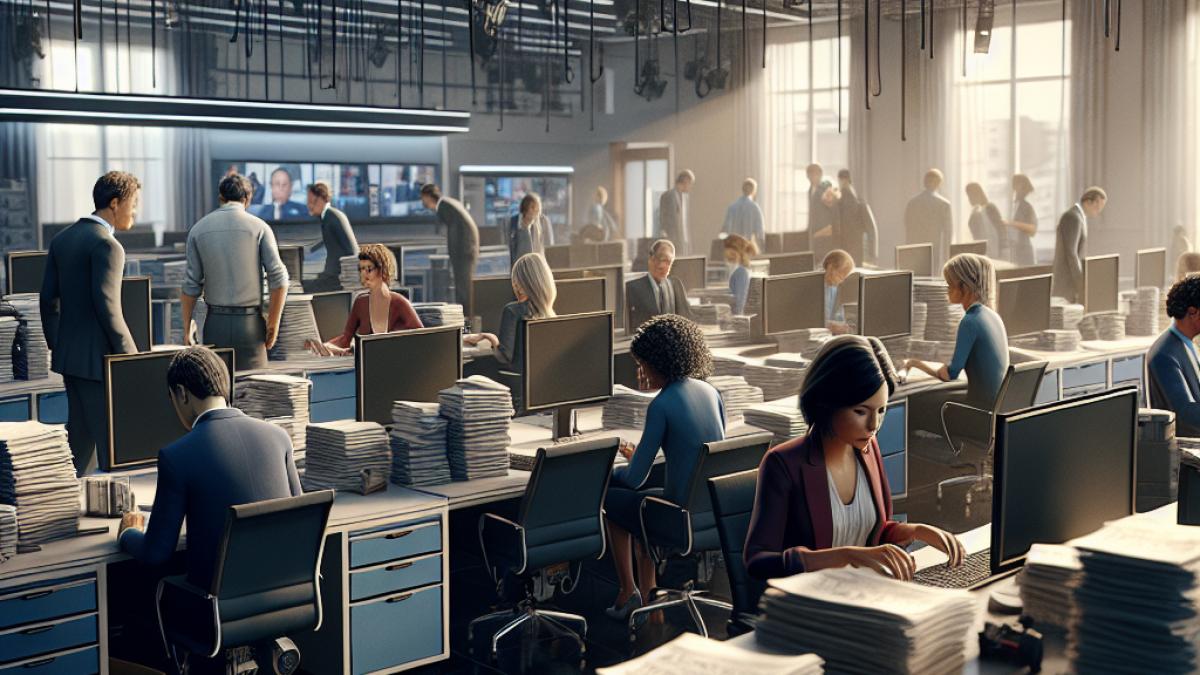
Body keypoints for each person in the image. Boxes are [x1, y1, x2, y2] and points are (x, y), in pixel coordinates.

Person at [743, 335, 965, 580]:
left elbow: (873, 532)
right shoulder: (783, 464)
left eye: (881, 410)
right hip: (813, 603)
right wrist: (846, 556)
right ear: (827, 402)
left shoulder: (868, 451)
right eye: (860, 411)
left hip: (864, 590)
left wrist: (916, 530)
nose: (874, 425)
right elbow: (758, 562)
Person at [118, 346, 302, 589]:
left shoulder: (176, 457)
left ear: (182, 394)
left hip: (215, 605)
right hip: (283, 596)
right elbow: (300, 521)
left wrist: (127, 532)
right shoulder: (279, 438)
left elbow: (156, 553)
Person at [604, 314, 725, 618]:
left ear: (658, 362)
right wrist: (638, 456)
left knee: (612, 500)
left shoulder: (662, 404)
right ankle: (649, 597)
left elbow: (633, 480)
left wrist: (609, 471)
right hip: (711, 509)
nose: (641, 372)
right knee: (643, 506)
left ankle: (628, 591)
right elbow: (700, 453)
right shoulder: (711, 392)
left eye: (642, 364)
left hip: (677, 514)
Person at [40, 171, 140, 475]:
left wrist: (59, 346)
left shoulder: (63, 239)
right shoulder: (108, 246)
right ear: (114, 203)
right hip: (100, 363)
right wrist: (132, 358)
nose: (135, 211)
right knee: (113, 446)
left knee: (80, 441)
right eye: (133, 204)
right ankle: (116, 512)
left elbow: (47, 301)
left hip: (71, 359)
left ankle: (67, 500)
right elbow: (109, 309)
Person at [182, 173, 289, 371]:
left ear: (220, 198)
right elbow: (280, 279)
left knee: (217, 389)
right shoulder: (260, 228)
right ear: (247, 199)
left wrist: (187, 328)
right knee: (254, 389)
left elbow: (190, 285)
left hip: (215, 324)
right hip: (250, 325)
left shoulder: (198, 229)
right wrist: (273, 325)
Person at [903, 254, 1010, 409]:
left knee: (915, 404)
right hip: (994, 408)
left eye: (950, 285)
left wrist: (914, 363)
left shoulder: (970, 321)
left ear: (964, 287)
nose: (946, 290)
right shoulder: (992, 315)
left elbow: (949, 374)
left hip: (978, 411)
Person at [305, 244, 423, 357]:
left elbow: (423, 338)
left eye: (369, 269)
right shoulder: (361, 303)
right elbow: (346, 338)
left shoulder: (399, 303)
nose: (363, 274)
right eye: (361, 269)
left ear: (382, 269)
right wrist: (324, 346)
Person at [464, 252, 556, 375]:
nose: (515, 286)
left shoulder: (513, 311)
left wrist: (488, 337)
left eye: (517, 281)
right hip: (537, 383)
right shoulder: (551, 316)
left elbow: (504, 357)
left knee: (466, 369)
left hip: (513, 382)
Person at [1147, 275, 1200, 436]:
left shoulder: (1187, 343)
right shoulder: (1165, 354)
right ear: (1192, 312)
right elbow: (1186, 414)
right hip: (1184, 450)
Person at [420, 183, 479, 317]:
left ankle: (466, 325)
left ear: (428, 197)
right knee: (464, 288)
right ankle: (466, 323)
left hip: (463, 251)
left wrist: (452, 254)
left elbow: (454, 231)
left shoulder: (443, 207)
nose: (423, 202)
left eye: (423, 198)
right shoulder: (449, 202)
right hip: (468, 248)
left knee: (463, 290)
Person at [1052, 187, 1107, 303]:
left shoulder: (1079, 217)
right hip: (1067, 280)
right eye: (1097, 207)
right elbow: (1071, 253)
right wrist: (1080, 282)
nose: (1098, 212)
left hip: (1070, 280)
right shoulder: (1073, 217)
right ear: (1088, 201)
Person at [625, 239, 693, 331]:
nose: (662, 266)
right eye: (659, 259)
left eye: (667, 261)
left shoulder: (675, 285)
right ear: (650, 259)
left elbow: (687, 321)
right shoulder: (632, 288)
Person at [304, 181, 360, 293]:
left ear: (321, 199)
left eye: (312, 201)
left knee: (302, 288)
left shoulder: (332, 218)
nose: (309, 206)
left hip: (338, 278)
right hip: (334, 275)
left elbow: (351, 252)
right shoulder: (329, 216)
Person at [904, 168, 954, 266]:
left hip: (914, 247)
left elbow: (907, 226)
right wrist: (947, 255)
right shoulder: (944, 204)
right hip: (934, 248)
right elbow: (948, 232)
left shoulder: (912, 202)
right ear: (939, 183)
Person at [836, 170, 879, 265]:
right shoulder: (855, 202)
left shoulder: (858, 203)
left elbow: (871, 230)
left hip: (853, 252)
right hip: (850, 252)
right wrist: (872, 254)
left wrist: (871, 255)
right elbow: (871, 230)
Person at [508, 192, 554, 265]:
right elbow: (511, 247)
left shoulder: (543, 220)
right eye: (532, 207)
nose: (536, 210)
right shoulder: (514, 221)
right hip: (520, 264)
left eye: (537, 207)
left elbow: (550, 245)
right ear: (525, 208)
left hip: (539, 264)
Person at [965, 182, 1007, 261]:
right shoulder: (974, 213)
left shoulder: (990, 208)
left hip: (995, 251)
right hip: (983, 252)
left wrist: (1003, 249)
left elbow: (1001, 229)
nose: (969, 199)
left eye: (970, 195)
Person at [657, 170, 694, 255]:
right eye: (690, 184)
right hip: (672, 239)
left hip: (683, 240)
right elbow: (664, 218)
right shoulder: (668, 196)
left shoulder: (685, 198)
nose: (690, 187)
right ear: (685, 182)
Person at [722, 178, 766, 247]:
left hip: (734, 244)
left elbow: (726, 227)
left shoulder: (732, 207)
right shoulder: (755, 208)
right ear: (754, 191)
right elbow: (759, 230)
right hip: (748, 245)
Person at [822, 249, 855, 335]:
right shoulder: (816, 287)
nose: (841, 281)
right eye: (840, 276)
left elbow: (837, 314)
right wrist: (829, 325)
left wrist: (843, 325)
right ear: (830, 268)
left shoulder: (833, 287)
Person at [723, 234, 757, 315]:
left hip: (736, 320)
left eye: (730, 258)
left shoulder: (741, 273)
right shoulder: (744, 270)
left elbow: (739, 305)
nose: (727, 261)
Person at [1009, 174, 1038, 265]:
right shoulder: (1015, 205)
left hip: (1024, 251)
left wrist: (1012, 224)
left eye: (1017, 186)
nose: (1014, 189)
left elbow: (1033, 229)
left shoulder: (1027, 205)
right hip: (1015, 251)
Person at [806, 164, 834, 241]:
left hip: (824, 230)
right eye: (808, 175)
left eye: (813, 175)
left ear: (820, 175)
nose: (810, 178)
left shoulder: (825, 188)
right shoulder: (810, 190)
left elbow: (832, 208)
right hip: (813, 229)